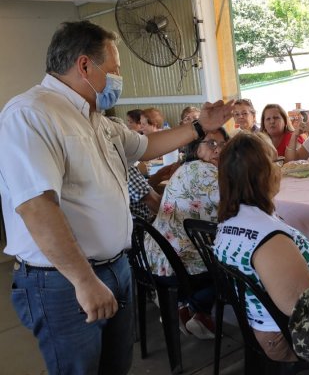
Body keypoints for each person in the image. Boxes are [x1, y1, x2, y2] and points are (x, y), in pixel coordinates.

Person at [0, 20, 233, 375]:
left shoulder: (96, 119)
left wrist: (200, 126)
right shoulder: (32, 114)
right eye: (115, 70)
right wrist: (83, 280)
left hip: (115, 267)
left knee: (114, 367)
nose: (118, 79)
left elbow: (147, 145)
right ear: (84, 66)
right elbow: (36, 207)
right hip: (64, 279)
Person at [214, 132, 309, 361]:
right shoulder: (267, 239)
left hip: (276, 325)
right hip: (289, 335)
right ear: (264, 175)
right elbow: (307, 306)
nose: (280, 169)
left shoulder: (233, 219)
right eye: (276, 162)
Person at [145, 127, 229, 339]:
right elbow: (240, 206)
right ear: (195, 148)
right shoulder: (207, 172)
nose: (217, 149)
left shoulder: (185, 168)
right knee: (238, 267)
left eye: (222, 144)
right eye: (211, 143)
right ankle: (196, 308)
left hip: (156, 256)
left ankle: (188, 310)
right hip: (175, 266)